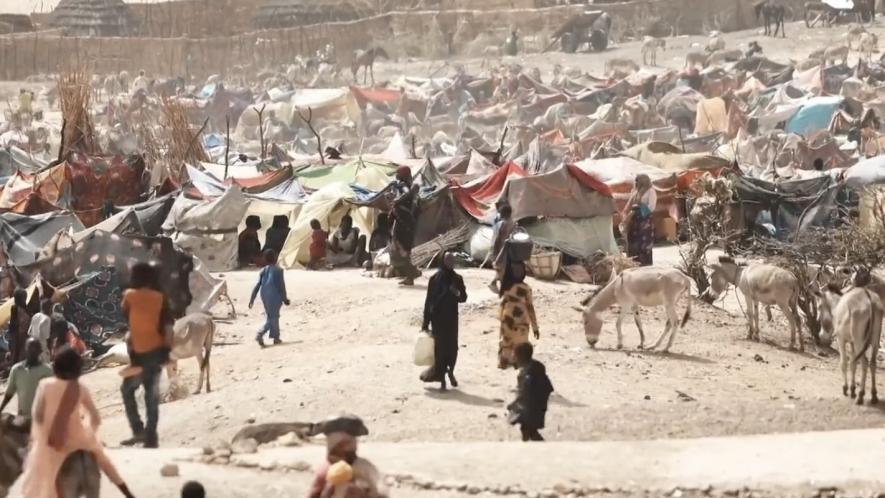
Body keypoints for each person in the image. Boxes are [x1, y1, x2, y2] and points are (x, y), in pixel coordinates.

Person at [20, 346, 135, 498]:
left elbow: (37, 414)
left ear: (57, 367)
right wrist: (88, 435)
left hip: (51, 442)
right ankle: (127, 492)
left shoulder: (45, 386)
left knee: (37, 475)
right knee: (105, 462)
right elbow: (95, 417)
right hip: (78, 438)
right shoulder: (80, 388)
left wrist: (39, 438)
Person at [120, 262, 173, 449]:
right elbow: (168, 329)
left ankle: (138, 430)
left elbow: (126, 318)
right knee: (152, 397)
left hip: (137, 354)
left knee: (127, 391)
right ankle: (151, 438)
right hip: (156, 353)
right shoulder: (161, 298)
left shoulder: (129, 296)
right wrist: (166, 352)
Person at [420, 252, 468, 391]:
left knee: (453, 348)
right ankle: (442, 380)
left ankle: (451, 371)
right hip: (438, 320)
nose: (450, 262)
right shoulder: (434, 279)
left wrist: (456, 293)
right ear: (442, 261)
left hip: (452, 319)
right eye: (448, 260)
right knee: (440, 350)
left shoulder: (457, 279)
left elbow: (464, 297)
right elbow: (429, 301)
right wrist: (425, 322)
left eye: (452, 260)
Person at [308, 417, 388, 498]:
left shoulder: (364, 467)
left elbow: (381, 491)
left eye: (347, 443)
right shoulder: (325, 470)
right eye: (338, 445)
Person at [507, 342, 553, 442]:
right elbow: (548, 387)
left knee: (528, 430)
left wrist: (513, 404)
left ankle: (530, 449)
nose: (513, 357)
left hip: (530, 408)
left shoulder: (526, 373)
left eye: (514, 355)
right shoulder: (537, 366)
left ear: (520, 357)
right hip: (539, 406)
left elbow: (525, 392)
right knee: (529, 430)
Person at [497, 261, 539, 369]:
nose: (518, 272)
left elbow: (502, 303)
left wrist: (500, 318)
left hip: (510, 318)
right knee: (517, 342)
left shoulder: (506, 286)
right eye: (516, 270)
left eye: (519, 270)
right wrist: (535, 327)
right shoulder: (525, 288)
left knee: (508, 341)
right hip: (519, 319)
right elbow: (530, 307)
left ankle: (506, 361)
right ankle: (515, 361)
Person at [1, 339, 52, 418]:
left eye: (36, 348)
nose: (32, 350)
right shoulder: (17, 369)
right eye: (30, 347)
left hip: (41, 418)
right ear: (25, 349)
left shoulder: (47, 371)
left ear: (40, 351)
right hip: (22, 418)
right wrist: (1, 409)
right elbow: (9, 394)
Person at [249, 249, 289, 348]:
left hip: (264, 295)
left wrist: (252, 299)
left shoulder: (263, 270)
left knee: (271, 315)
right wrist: (285, 298)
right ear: (275, 258)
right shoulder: (279, 270)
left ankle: (276, 337)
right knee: (273, 317)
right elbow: (281, 286)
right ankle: (260, 333)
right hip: (275, 295)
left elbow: (257, 285)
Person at [389, 167, 421, 286]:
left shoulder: (410, 187)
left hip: (406, 224)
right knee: (402, 249)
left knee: (405, 250)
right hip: (401, 222)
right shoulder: (400, 187)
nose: (396, 176)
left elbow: (409, 194)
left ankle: (410, 276)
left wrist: (397, 201)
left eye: (398, 173)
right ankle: (412, 273)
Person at [622, 174, 657, 266]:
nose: (636, 182)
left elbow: (651, 207)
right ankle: (634, 265)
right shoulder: (635, 192)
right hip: (634, 222)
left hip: (645, 221)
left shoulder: (650, 191)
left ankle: (645, 266)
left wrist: (638, 208)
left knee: (644, 245)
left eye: (638, 180)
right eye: (636, 180)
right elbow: (628, 206)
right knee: (633, 243)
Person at [489, 205, 516, 293]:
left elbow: (495, 240)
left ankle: (495, 285)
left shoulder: (500, 224)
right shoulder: (514, 224)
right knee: (504, 272)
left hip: (501, 251)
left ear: (503, 214)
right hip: (510, 252)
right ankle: (501, 288)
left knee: (502, 271)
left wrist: (493, 253)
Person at [8, 288, 32, 364]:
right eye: (23, 297)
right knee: (17, 357)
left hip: (26, 336)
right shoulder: (15, 308)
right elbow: (13, 325)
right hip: (18, 338)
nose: (25, 298)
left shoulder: (27, 308)